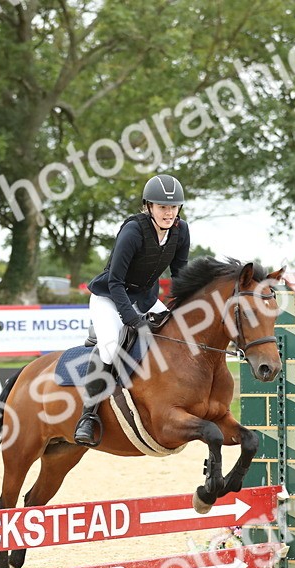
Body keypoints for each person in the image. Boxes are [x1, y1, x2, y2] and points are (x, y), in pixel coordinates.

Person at [73, 174, 191, 447]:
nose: (168, 212)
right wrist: (132, 320)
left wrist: (185, 309)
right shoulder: (133, 231)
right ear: (148, 206)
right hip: (109, 298)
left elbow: (181, 276)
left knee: (177, 336)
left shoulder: (181, 230)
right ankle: (88, 417)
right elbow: (115, 282)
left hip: (146, 298)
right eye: (162, 207)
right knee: (111, 347)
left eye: (173, 207)